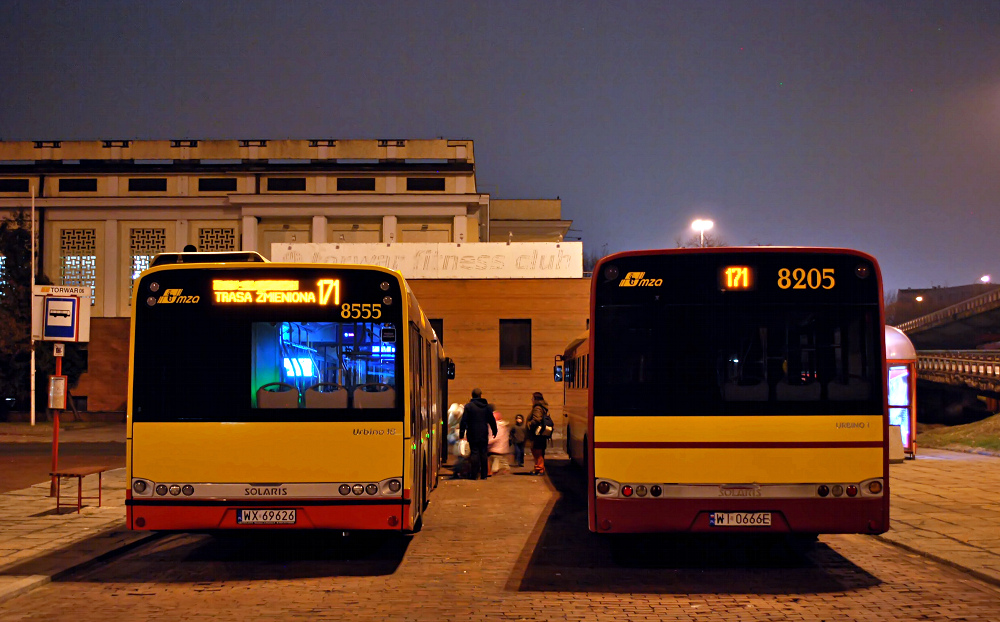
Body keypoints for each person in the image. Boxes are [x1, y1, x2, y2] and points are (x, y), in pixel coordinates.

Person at [459, 388, 497, 480]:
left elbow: (464, 421)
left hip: (472, 433)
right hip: (484, 432)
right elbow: (491, 420)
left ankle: (474, 474)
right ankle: (484, 475)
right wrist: (494, 430)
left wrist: (461, 433)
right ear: (480, 395)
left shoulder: (469, 407)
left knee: (474, 453)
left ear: (472, 395)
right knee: (483, 453)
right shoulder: (487, 407)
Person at [526, 391, 550, 475]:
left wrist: (529, 424)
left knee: (537, 450)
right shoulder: (542, 407)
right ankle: (538, 468)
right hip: (540, 433)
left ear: (535, 399)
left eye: (532, 398)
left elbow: (537, 419)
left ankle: (539, 469)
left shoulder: (538, 408)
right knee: (538, 450)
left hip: (537, 433)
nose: (531, 400)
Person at [487, 410, 510, 475]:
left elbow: (495, 437)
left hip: (495, 448)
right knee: (500, 460)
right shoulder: (502, 425)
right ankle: (505, 468)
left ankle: (500, 470)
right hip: (501, 447)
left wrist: (487, 442)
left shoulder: (496, 426)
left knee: (495, 461)